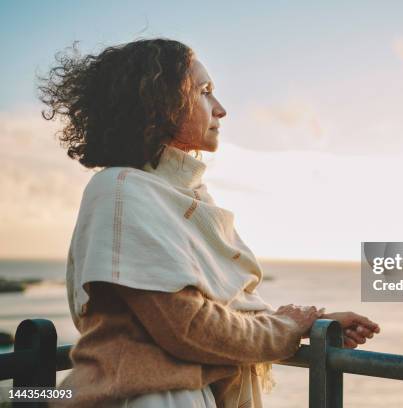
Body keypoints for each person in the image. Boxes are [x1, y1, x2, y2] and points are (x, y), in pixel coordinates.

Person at [39, 38, 380, 408]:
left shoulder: (182, 195)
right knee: (26, 394)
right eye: (205, 92)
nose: (220, 109)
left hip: (190, 398)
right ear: (161, 103)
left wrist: (315, 324)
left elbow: (226, 315)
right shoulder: (121, 191)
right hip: (151, 401)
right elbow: (189, 328)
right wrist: (287, 327)